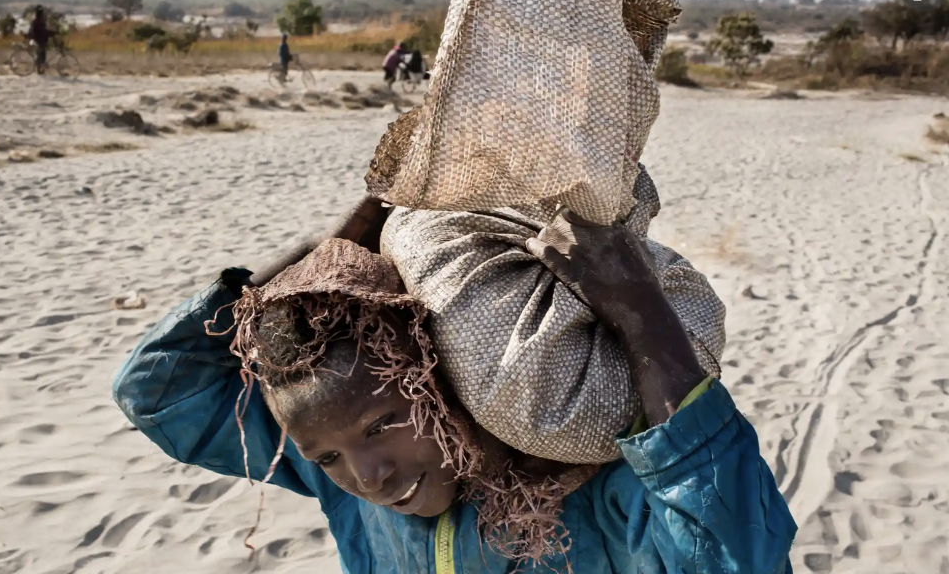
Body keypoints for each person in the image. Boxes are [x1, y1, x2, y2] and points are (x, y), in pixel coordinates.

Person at [113, 195, 797, 573]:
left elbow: (735, 560)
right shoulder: (333, 471)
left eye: (384, 422)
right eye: (326, 456)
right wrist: (328, 250)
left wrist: (643, 314)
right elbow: (153, 390)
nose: (368, 475)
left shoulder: (594, 491)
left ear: (435, 382)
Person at [26, 6, 51, 75]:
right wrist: (51, 33)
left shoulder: (36, 21)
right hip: (37, 40)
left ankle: (40, 69)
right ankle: (39, 67)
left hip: (38, 40)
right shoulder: (38, 21)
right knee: (41, 53)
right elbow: (42, 31)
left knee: (42, 53)